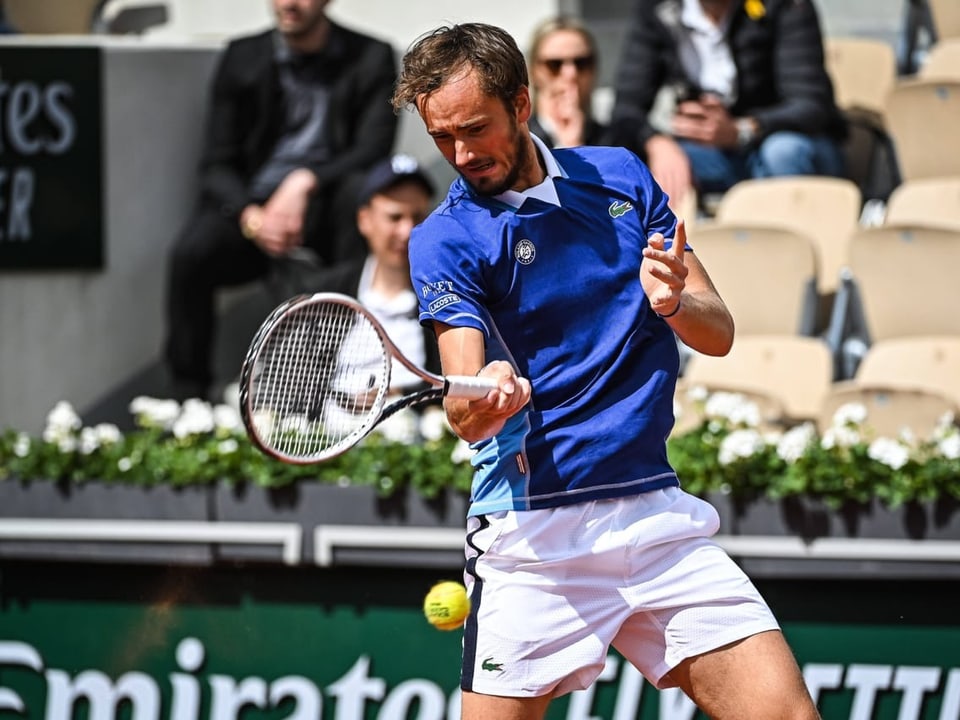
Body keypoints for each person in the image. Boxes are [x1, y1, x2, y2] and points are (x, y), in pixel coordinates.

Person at [392, 22, 821, 720]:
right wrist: (487, 402)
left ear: (522, 104)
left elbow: (717, 332)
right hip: (532, 535)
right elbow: (463, 404)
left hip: (653, 516)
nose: (462, 153)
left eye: (475, 128)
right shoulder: (444, 239)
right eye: (443, 137)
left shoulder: (620, 175)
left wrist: (676, 300)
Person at [163, 0, 398, 401]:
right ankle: (187, 401)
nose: (288, 3)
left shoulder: (371, 56)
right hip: (255, 210)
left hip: (329, 206)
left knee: (360, 208)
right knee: (190, 256)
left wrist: (305, 181)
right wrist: (252, 217)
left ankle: (345, 389)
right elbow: (216, 164)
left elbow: (373, 150)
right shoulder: (243, 56)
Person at [607, 0, 847, 210]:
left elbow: (811, 105)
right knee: (647, 168)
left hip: (791, 144)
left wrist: (742, 129)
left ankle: (791, 249)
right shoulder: (657, 9)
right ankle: (683, 253)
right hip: (716, 154)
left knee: (782, 151)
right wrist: (657, 143)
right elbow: (625, 109)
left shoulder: (784, 5)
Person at [526, 16, 607, 149]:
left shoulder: (616, 141)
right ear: (533, 71)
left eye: (581, 63)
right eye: (554, 65)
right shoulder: (519, 140)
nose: (570, 74)